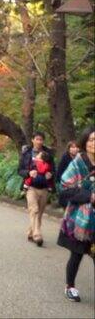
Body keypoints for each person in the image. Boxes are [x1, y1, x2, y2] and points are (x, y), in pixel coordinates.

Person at [57, 126, 95, 303]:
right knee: (77, 254)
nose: (94, 144)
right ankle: (69, 286)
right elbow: (65, 189)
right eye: (92, 140)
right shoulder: (78, 163)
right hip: (80, 219)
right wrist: (89, 196)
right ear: (85, 143)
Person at [18, 131, 56, 247]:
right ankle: (37, 234)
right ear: (32, 140)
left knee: (39, 212)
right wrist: (29, 173)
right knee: (34, 209)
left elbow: (53, 169)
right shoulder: (26, 153)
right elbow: (19, 170)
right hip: (31, 187)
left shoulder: (47, 153)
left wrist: (50, 174)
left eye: (41, 139)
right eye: (37, 139)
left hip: (44, 187)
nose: (39, 141)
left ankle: (31, 231)